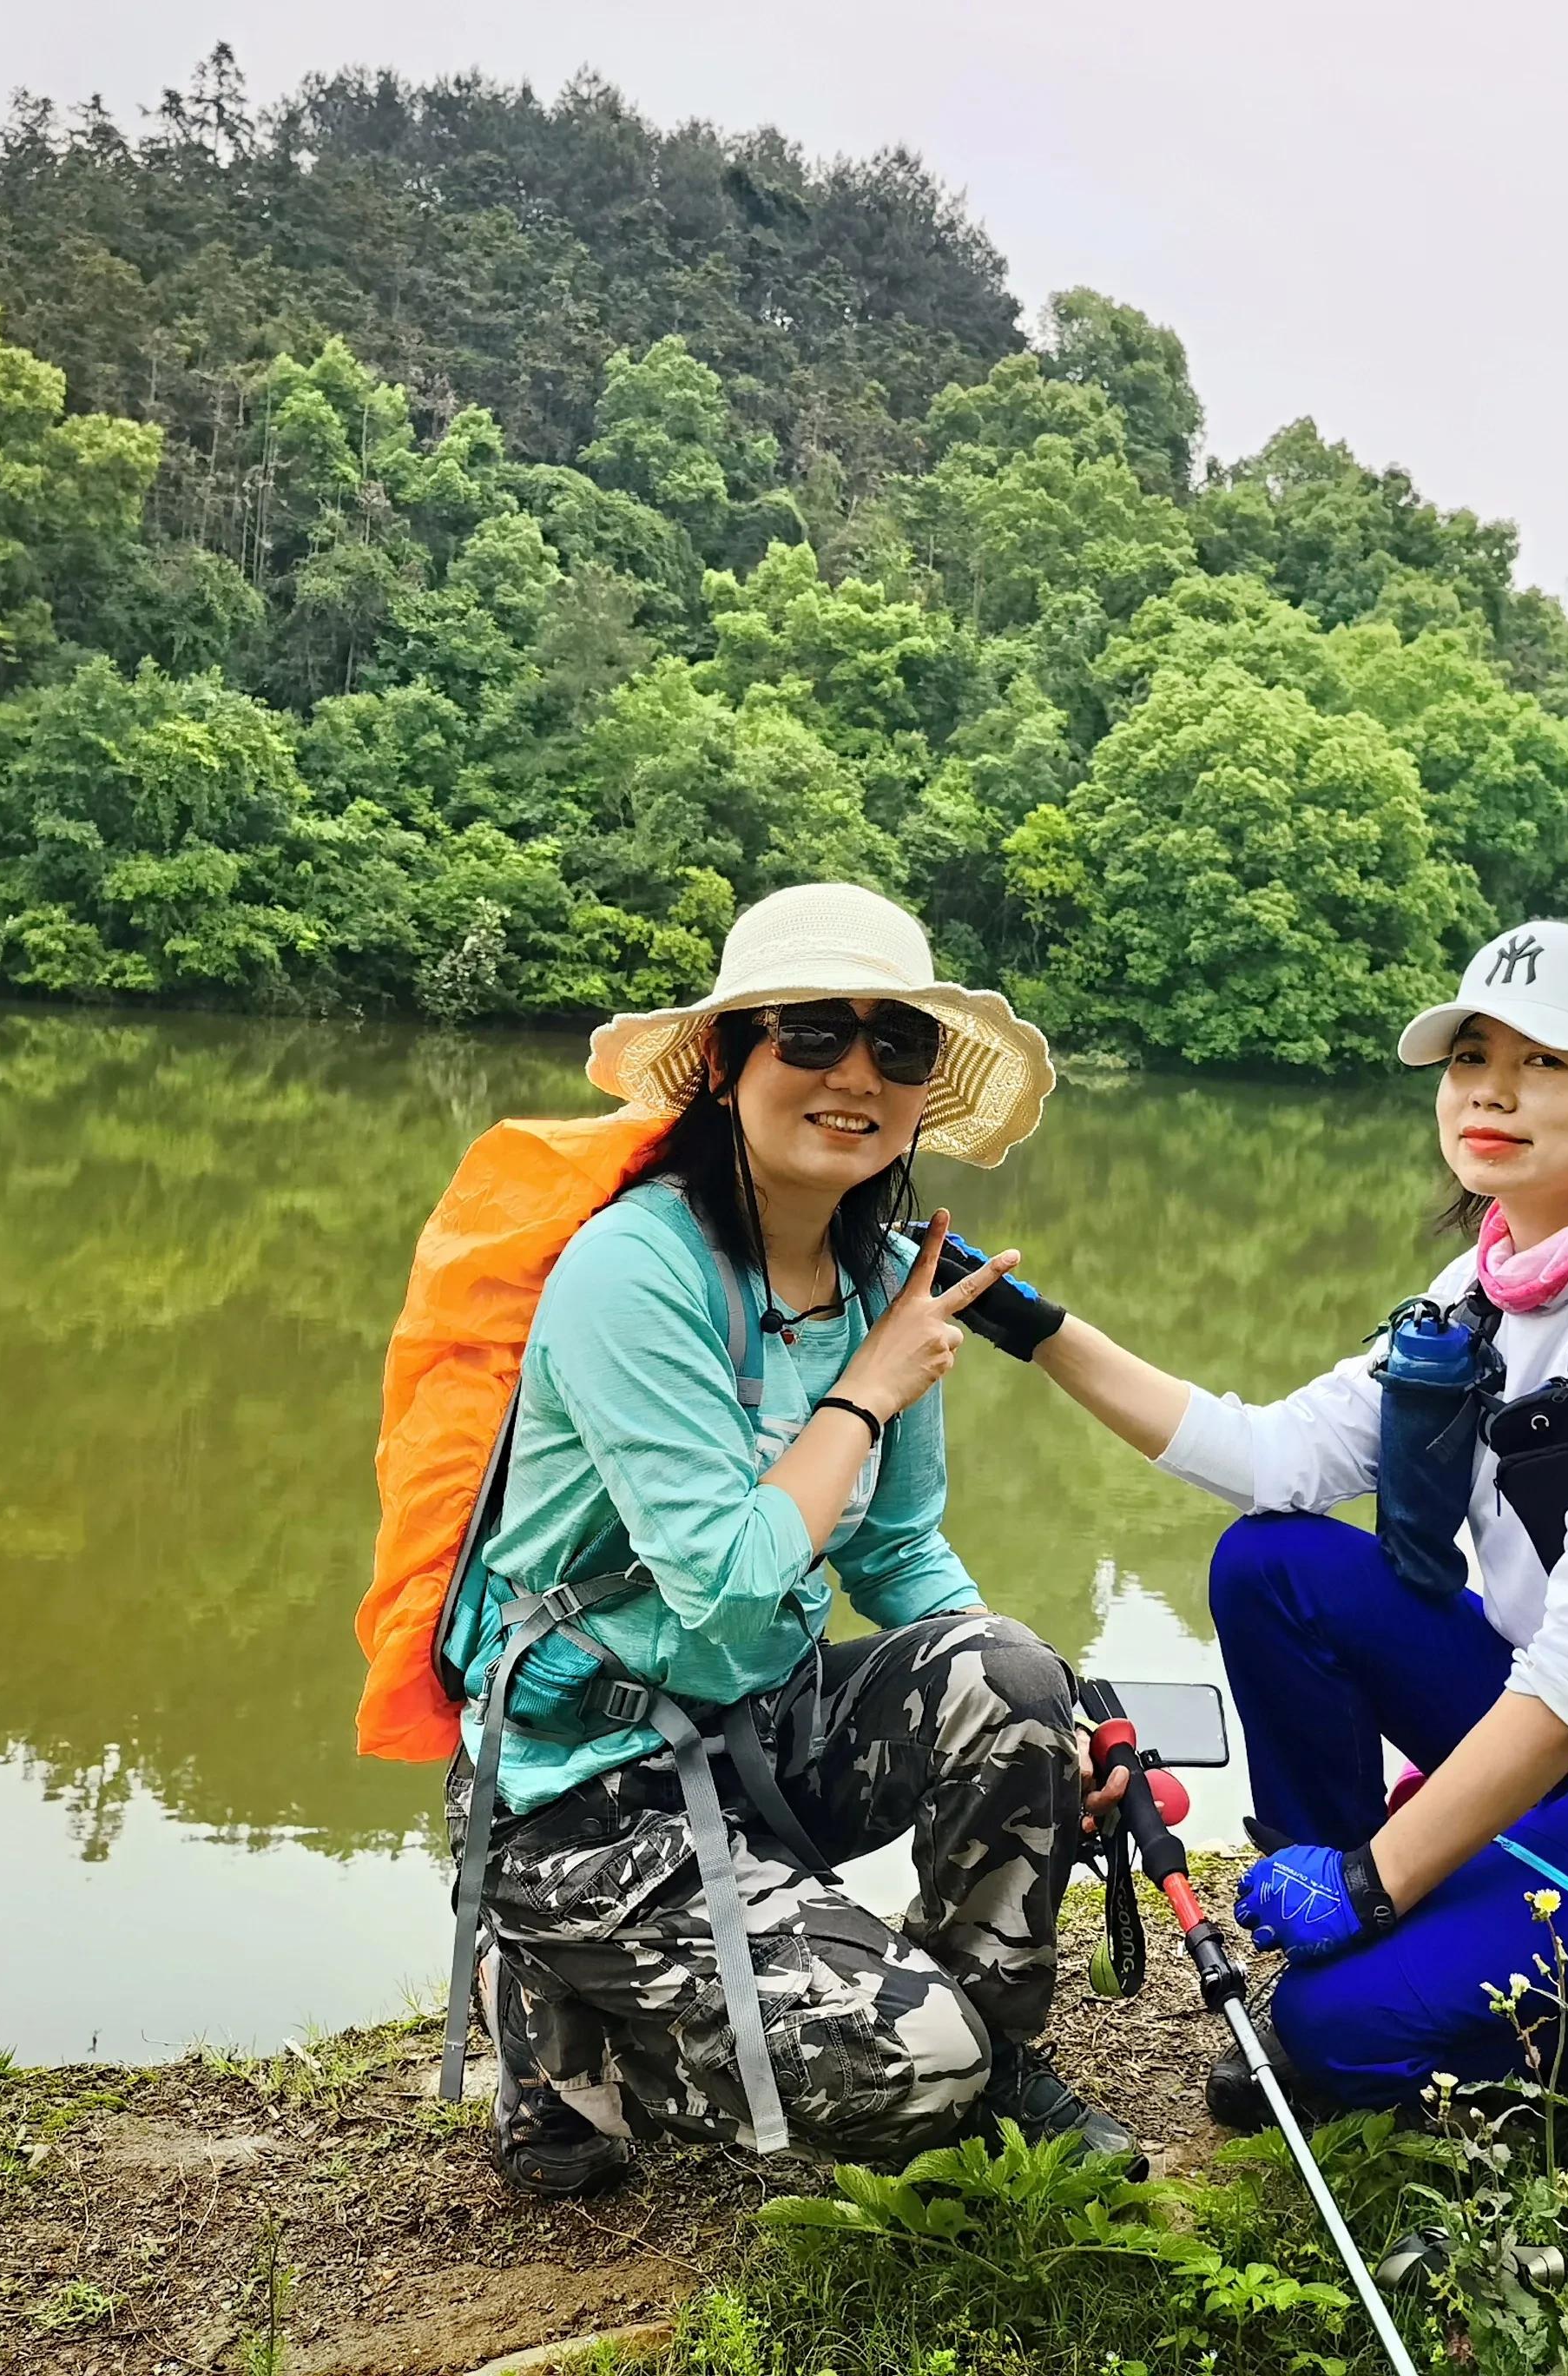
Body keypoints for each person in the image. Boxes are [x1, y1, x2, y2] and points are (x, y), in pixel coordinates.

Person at [1016, 921, 1568, 2162]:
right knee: (1277, 1564)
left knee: (1332, 2036)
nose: (1491, 1088)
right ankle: (1365, 1912)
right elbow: (1273, 1458)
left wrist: (1375, 1878)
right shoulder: (1479, 1293)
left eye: (1546, 1063)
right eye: (1470, 1055)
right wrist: (1035, 1327)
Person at [445, 881, 1133, 2193]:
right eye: (811, 1032)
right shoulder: (633, 1270)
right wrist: (868, 1386)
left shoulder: (882, 1276)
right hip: (577, 1787)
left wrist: (1056, 1721)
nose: (855, 1073)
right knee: (913, 2072)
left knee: (1019, 1673)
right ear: (726, 1060)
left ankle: (1001, 2052)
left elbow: (902, 1558)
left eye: (898, 1044)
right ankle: (550, 2006)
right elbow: (726, 1580)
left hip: (751, 1736)